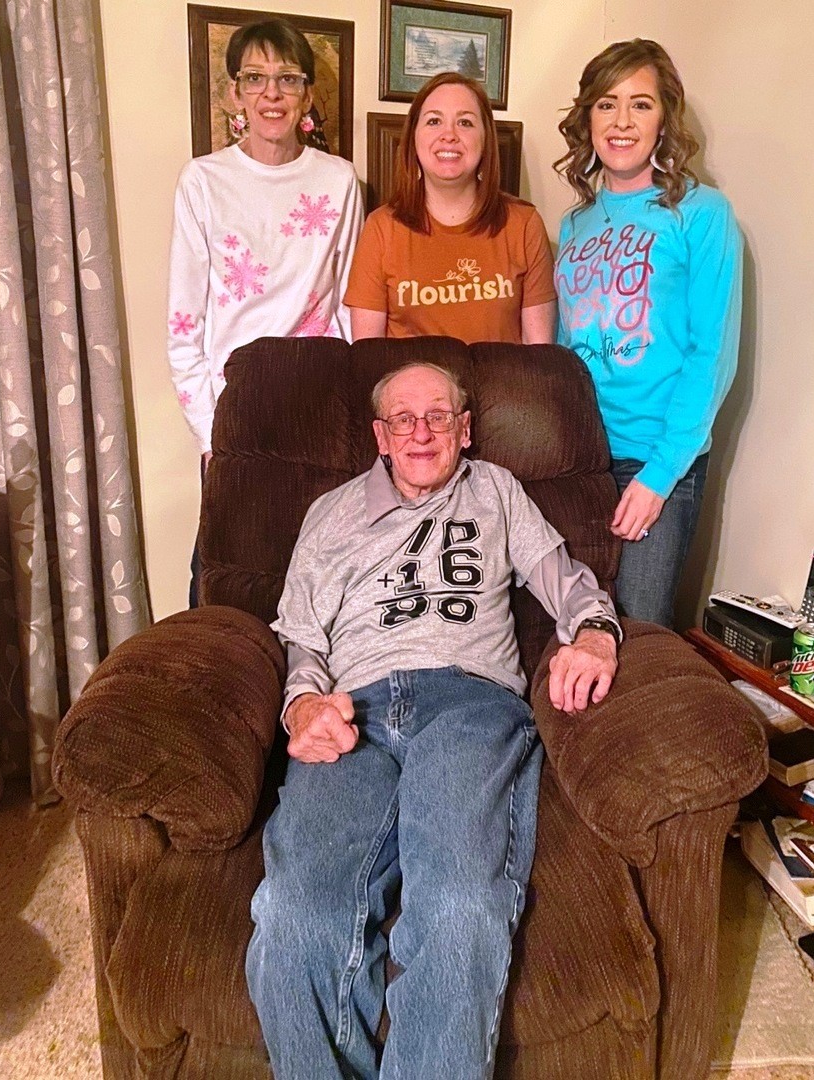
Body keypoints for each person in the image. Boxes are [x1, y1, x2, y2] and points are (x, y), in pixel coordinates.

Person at [245, 362, 621, 1078]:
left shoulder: (496, 491)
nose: (421, 432)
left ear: (464, 429)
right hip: (351, 710)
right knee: (293, 914)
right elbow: (303, 645)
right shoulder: (329, 513)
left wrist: (596, 634)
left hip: (468, 703)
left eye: (438, 416)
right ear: (380, 436)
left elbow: (567, 584)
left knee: (457, 904)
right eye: (403, 419)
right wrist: (302, 706)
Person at [166, 18, 363, 602]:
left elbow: (348, 303)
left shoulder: (340, 180)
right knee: (223, 579)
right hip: (235, 409)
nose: (271, 93)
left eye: (287, 78)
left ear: (307, 94)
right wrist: (213, 433)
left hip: (316, 400)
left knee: (319, 577)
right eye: (255, 78)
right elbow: (183, 326)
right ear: (235, 93)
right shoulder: (203, 181)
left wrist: (347, 409)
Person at [553, 39, 743, 628]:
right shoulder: (575, 222)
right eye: (606, 104)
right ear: (588, 118)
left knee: (639, 633)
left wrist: (659, 476)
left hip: (656, 459)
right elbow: (563, 347)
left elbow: (711, 355)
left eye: (641, 104)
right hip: (579, 455)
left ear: (664, 119)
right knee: (571, 626)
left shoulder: (702, 213)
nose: (622, 122)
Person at [345, 73, 556, 344]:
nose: (449, 135)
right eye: (434, 121)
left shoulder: (524, 225)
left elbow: (537, 354)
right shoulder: (381, 228)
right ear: (413, 138)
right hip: (409, 374)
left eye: (465, 122)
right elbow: (368, 355)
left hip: (502, 374)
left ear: (485, 140)